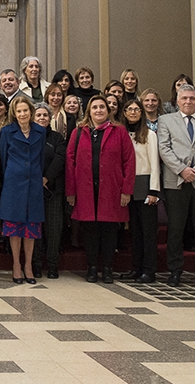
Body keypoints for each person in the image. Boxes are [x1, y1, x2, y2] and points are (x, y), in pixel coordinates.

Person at [65, 95, 134, 284]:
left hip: (112, 188)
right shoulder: (79, 132)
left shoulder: (119, 131)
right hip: (85, 189)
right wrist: (70, 191)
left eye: (102, 107)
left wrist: (126, 190)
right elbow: (70, 162)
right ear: (89, 111)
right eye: (94, 107)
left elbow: (129, 161)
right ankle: (92, 268)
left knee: (110, 230)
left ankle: (107, 268)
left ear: (108, 110)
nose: (98, 110)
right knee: (90, 230)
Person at [157, 84, 195, 287]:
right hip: (176, 181)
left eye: (192, 98)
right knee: (176, 228)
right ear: (177, 100)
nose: (188, 102)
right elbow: (164, 148)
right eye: (184, 98)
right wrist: (182, 170)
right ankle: (175, 270)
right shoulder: (165, 120)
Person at [0, 95, 45, 284]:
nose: (22, 114)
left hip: (33, 184)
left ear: (31, 112)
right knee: (15, 227)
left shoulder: (40, 131)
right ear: (14, 113)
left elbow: (41, 159)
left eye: (25, 110)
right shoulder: (7, 131)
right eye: (19, 111)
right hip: (13, 184)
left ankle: (29, 266)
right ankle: (16, 264)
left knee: (31, 227)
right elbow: (3, 159)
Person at [120, 98, 160, 283]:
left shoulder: (150, 134)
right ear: (125, 112)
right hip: (127, 185)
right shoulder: (121, 133)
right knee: (135, 231)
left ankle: (149, 270)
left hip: (145, 184)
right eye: (130, 109)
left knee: (148, 231)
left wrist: (154, 191)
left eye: (137, 109)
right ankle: (136, 268)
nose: (133, 112)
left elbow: (155, 163)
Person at [32, 103, 67, 279]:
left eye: (45, 115)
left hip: (53, 190)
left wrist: (46, 178)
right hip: (33, 190)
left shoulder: (58, 138)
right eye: (38, 115)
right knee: (36, 228)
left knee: (54, 229)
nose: (41, 118)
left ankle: (53, 265)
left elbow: (61, 158)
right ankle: (36, 264)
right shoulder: (28, 136)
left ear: (50, 118)